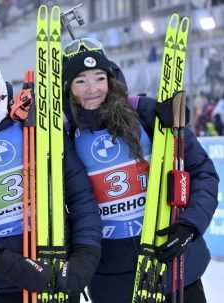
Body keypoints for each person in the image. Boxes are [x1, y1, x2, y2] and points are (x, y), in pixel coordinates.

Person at [0, 47, 102, 303]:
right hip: (0, 284)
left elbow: (80, 197)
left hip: (57, 270)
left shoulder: (35, 126)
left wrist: (85, 256)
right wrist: (5, 263)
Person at [61, 38, 219, 303]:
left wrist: (188, 227)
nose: (92, 89)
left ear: (111, 79)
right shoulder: (64, 138)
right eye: (80, 81)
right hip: (112, 279)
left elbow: (202, 172)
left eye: (100, 78)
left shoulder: (146, 114)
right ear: (67, 87)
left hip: (174, 266)